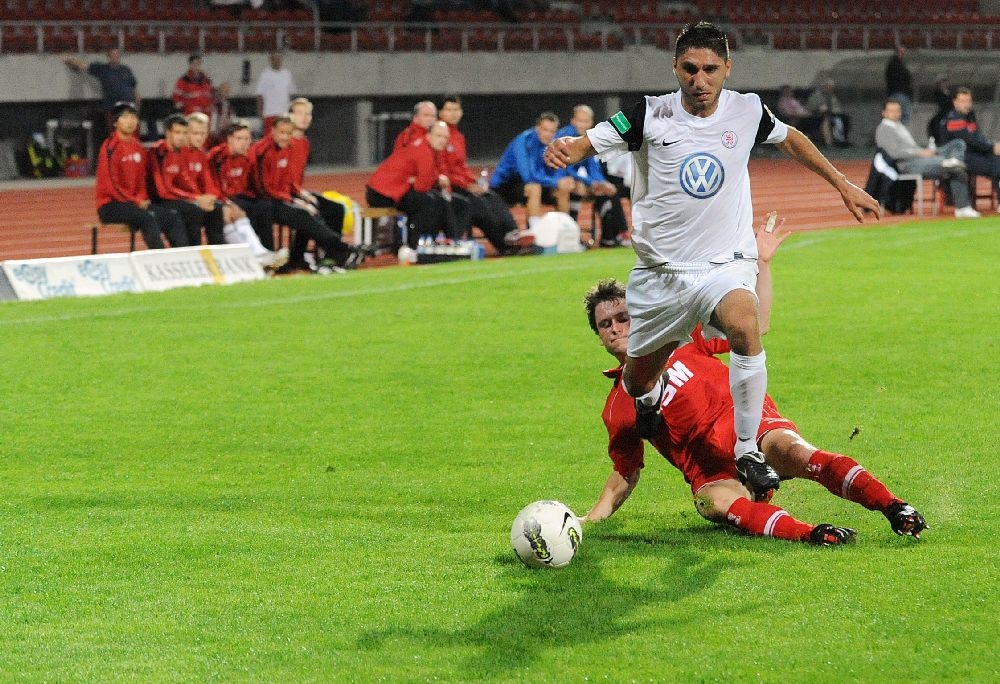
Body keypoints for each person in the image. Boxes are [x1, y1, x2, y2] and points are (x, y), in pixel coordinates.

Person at [544, 21, 880, 500]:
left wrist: (841, 184)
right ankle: (648, 401)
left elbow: (790, 138)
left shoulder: (747, 110)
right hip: (661, 274)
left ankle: (747, 449)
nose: (699, 80)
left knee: (745, 324)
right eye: (689, 69)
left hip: (724, 263)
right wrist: (568, 149)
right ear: (674, 68)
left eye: (709, 69)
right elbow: (589, 142)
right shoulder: (647, 114)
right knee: (637, 381)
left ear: (727, 68)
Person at [580, 217, 928, 545]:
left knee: (797, 453)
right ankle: (813, 535)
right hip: (709, 469)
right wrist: (587, 522)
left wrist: (762, 262)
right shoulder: (617, 407)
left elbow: (755, 325)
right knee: (711, 504)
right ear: (599, 338)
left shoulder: (682, 337)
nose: (616, 328)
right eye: (605, 324)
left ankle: (894, 507)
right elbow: (625, 472)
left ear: (640, 316)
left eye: (623, 317)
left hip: (748, 426)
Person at [249, 115, 357, 275]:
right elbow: (264, 189)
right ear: (273, 131)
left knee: (331, 207)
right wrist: (294, 200)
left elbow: (288, 179)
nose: (285, 137)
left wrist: (300, 194)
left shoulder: (290, 147)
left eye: (288, 133)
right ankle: (340, 249)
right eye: (282, 133)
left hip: (282, 196)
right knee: (303, 214)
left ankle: (312, 257)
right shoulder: (262, 152)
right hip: (265, 201)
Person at [94, 101, 185, 249]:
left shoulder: (137, 146)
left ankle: (179, 258)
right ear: (115, 122)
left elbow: (142, 180)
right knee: (147, 217)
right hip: (111, 205)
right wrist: (136, 201)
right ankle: (158, 258)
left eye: (133, 117)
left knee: (172, 217)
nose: (130, 121)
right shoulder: (110, 147)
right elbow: (111, 186)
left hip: (134, 203)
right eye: (125, 117)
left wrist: (142, 198)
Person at [437, 94, 519, 254]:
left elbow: (461, 167)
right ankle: (503, 244)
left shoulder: (458, 137)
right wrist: (467, 185)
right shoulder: (439, 135)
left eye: (456, 109)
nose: (453, 113)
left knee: (493, 198)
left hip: (462, 184)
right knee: (479, 205)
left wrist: (475, 182)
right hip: (450, 187)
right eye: (449, 109)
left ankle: (515, 235)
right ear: (440, 113)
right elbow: (442, 170)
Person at [874, 99, 978, 218]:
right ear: (884, 113)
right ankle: (963, 207)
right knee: (956, 169)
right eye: (891, 111)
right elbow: (894, 153)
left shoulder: (899, 126)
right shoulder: (884, 129)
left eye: (897, 110)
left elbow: (912, 147)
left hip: (920, 158)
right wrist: (920, 153)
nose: (895, 113)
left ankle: (953, 161)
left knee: (958, 144)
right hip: (907, 164)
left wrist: (926, 151)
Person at [366, 120, 456, 249]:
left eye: (445, 137)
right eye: (438, 136)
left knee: (432, 200)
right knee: (427, 201)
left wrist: (422, 179)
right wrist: (428, 180)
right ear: (428, 135)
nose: (442, 140)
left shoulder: (423, 146)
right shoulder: (424, 151)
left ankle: (423, 243)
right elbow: (422, 187)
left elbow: (423, 181)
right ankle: (417, 245)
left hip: (381, 191)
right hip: (381, 194)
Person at [147, 113, 225, 247]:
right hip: (159, 200)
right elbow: (164, 190)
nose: (200, 137)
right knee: (194, 210)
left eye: (203, 133)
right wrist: (197, 199)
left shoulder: (192, 153)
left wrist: (207, 198)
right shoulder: (160, 152)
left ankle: (217, 250)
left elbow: (191, 181)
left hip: (179, 198)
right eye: (195, 133)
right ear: (168, 133)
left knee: (216, 208)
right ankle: (194, 250)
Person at [208, 119, 280, 264]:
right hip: (220, 199)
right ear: (229, 139)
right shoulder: (216, 156)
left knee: (264, 206)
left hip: (239, 198)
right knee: (235, 211)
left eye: (247, 139)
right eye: (239, 139)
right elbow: (212, 184)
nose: (244, 143)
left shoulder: (248, 157)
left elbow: (253, 184)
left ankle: (265, 251)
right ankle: (253, 255)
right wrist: (227, 202)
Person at [556, 104, 627, 248]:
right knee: (575, 186)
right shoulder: (564, 138)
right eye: (579, 121)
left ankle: (611, 237)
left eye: (586, 121)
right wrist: (588, 181)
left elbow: (593, 168)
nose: (582, 124)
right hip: (557, 179)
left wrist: (601, 183)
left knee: (607, 191)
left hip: (573, 179)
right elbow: (563, 168)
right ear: (573, 121)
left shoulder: (588, 139)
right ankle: (571, 236)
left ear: (591, 123)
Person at [491, 111, 575, 231]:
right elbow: (528, 176)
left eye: (552, 131)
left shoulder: (555, 142)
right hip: (505, 185)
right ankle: (535, 232)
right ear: (537, 128)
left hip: (535, 182)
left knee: (562, 189)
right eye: (545, 130)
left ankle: (566, 231)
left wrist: (563, 181)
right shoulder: (523, 141)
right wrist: (556, 182)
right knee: (534, 188)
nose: (548, 134)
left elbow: (559, 169)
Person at [938, 86, 1000, 200]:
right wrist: (992, 147)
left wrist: (992, 146)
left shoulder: (969, 115)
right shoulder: (953, 119)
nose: (967, 104)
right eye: (963, 101)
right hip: (960, 157)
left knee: (997, 160)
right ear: (955, 103)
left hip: (974, 153)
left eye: (968, 101)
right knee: (997, 164)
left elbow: (978, 136)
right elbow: (970, 140)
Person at [62, 48, 140, 134]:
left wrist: (137, 104)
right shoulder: (103, 69)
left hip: (128, 108)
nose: (115, 57)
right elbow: (84, 65)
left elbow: (134, 88)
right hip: (112, 108)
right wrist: (70, 59)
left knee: (132, 134)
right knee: (116, 134)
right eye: (113, 55)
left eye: (117, 55)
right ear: (109, 57)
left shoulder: (126, 70)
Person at [256, 52, 297, 135]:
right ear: (271, 61)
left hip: (284, 114)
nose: (277, 61)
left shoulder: (287, 74)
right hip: (270, 113)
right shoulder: (265, 75)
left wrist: (292, 111)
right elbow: (260, 95)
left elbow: (291, 93)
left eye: (279, 59)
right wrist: (260, 111)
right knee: (270, 138)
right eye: (275, 59)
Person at [806, 78, 850, 147]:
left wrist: (834, 110)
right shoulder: (816, 95)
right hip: (817, 115)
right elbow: (811, 107)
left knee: (845, 118)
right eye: (828, 87)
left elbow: (836, 106)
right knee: (827, 120)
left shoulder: (832, 96)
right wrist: (820, 108)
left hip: (831, 114)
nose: (830, 89)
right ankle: (831, 142)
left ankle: (842, 139)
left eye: (831, 88)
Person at [172, 54, 214, 121]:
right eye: (194, 64)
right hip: (190, 114)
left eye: (198, 64)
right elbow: (176, 96)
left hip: (205, 114)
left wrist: (210, 106)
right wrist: (183, 108)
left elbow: (211, 95)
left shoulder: (207, 80)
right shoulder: (184, 80)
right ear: (190, 65)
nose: (196, 66)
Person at [885, 46, 914, 125]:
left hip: (895, 94)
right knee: (904, 118)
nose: (903, 54)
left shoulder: (892, 65)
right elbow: (905, 80)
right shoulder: (898, 66)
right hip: (901, 94)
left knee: (895, 119)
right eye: (901, 52)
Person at [927, 75, 952, 145]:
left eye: (945, 82)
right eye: (941, 82)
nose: (943, 84)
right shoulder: (937, 94)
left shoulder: (949, 93)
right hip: (942, 116)